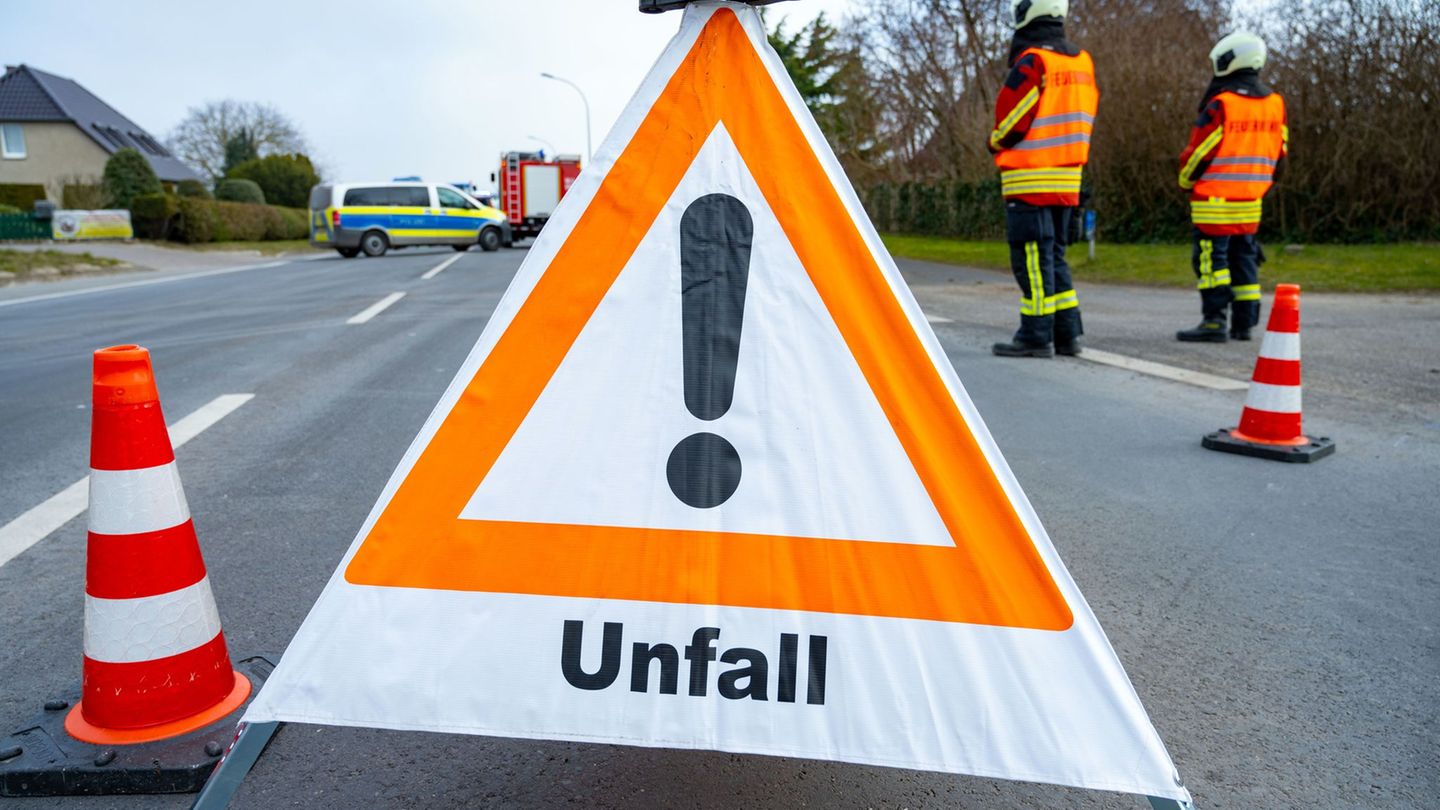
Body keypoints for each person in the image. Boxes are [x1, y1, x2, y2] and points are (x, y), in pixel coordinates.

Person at [989, 0, 1098, 358]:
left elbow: (1013, 117)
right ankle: (1068, 335)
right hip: (1068, 181)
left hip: (1031, 180)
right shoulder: (1082, 62)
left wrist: (994, 141)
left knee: (1032, 260)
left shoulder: (1034, 61)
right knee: (1055, 257)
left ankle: (1036, 335)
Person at [1176, 31, 1288, 342]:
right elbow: (1281, 154)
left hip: (1214, 201)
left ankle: (1214, 321)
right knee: (1244, 258)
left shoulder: (1222, 104)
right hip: (1251, 201)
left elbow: (1199, 152)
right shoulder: (1275, 104)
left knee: (1212, 261)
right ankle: (1244, 324)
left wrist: (1185, 181)